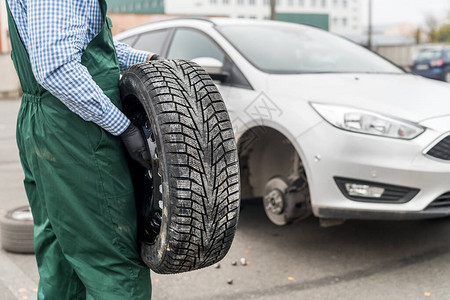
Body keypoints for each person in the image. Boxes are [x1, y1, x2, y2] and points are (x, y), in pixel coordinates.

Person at [6, 0, 155, 298]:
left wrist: (149, 58)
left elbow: (85, 51)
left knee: (62, 257)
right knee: (113, 261)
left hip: (50, 126)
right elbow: (57, 67)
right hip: (78, 133)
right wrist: (123, 126)